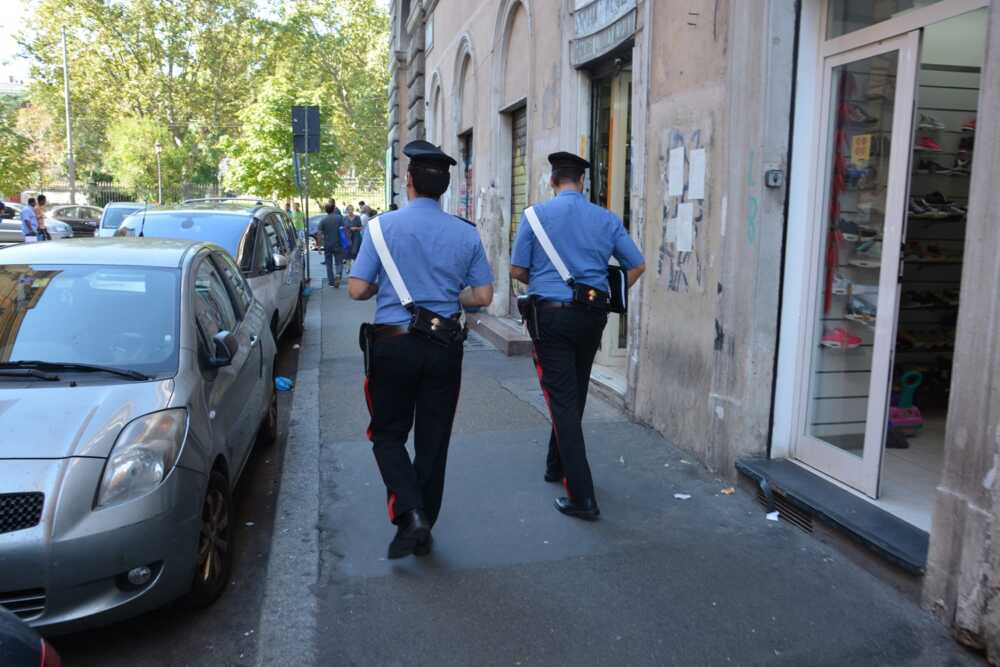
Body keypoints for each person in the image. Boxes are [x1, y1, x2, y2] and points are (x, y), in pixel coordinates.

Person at [349, 139, 494, 559]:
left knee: (388, 434)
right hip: (444, 345)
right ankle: (424, 521)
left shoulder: (380, 227)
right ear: (444, 188)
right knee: (434, 439)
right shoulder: (465, 233)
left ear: (408, 182)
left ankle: (410, 514)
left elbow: (358, 289)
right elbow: (482, 295)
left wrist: (385, 287)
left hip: (393, 346)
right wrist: (446, 297)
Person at [510, 151, 645, 521]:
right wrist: (609, 294)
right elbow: (637, 264)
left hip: (551, 317)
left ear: (552, 180)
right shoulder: (605, 218)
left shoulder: (534, 217)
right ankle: (556, 464)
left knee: (561, 398)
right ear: (582, 182)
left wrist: (543, 281)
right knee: (574, 391)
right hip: (592, 316)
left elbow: (518, 269)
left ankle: (582, 497)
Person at [318, 202, 347, 287]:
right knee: (339, 262)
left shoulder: (323, 220)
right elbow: (344, 229)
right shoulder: (340, 218)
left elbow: (319, 233)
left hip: (328, 244)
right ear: (334, 209)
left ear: (325, 210)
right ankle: (338, 275)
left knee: (329, 263)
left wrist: (319, 246)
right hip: (338, 243)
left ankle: (331, 282)